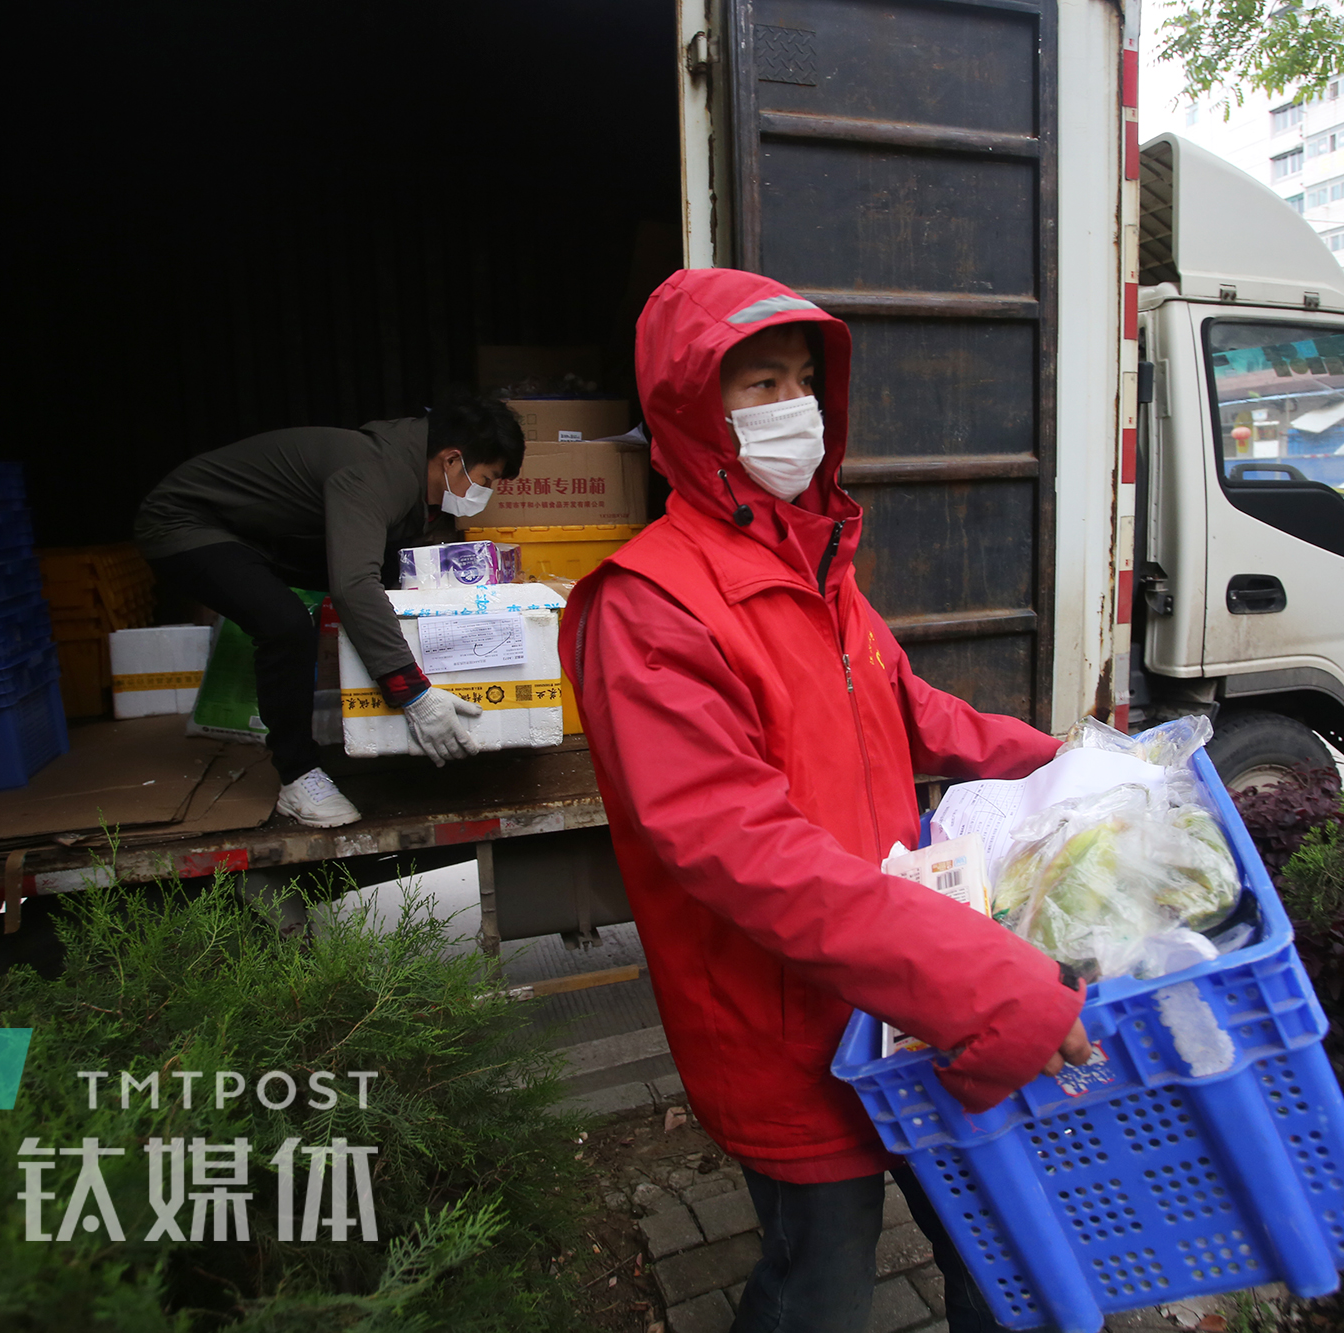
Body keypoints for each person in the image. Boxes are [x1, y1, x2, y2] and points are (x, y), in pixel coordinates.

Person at [561, 269, 1090, 1333]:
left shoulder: (816, 560)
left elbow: (907, 706)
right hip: (784, 1027)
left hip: (900, 994)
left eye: (803, 379)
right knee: (823, 1287)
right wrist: (977, 979)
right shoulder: (651, 609)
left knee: (998, 1252)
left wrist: (1078, 768)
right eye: (759, 383)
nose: (794, 406)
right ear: (693, 411)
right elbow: (746, 853)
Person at [134, 395, 524, 827]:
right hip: (186, 523)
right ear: (452, 460)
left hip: (262, 533)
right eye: (486, 480)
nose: (486, 493)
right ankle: (297, 775)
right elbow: (353, 585)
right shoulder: (375, 471)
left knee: (394, 577)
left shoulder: (416, 486)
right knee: (284, 623)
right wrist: (414, 694)